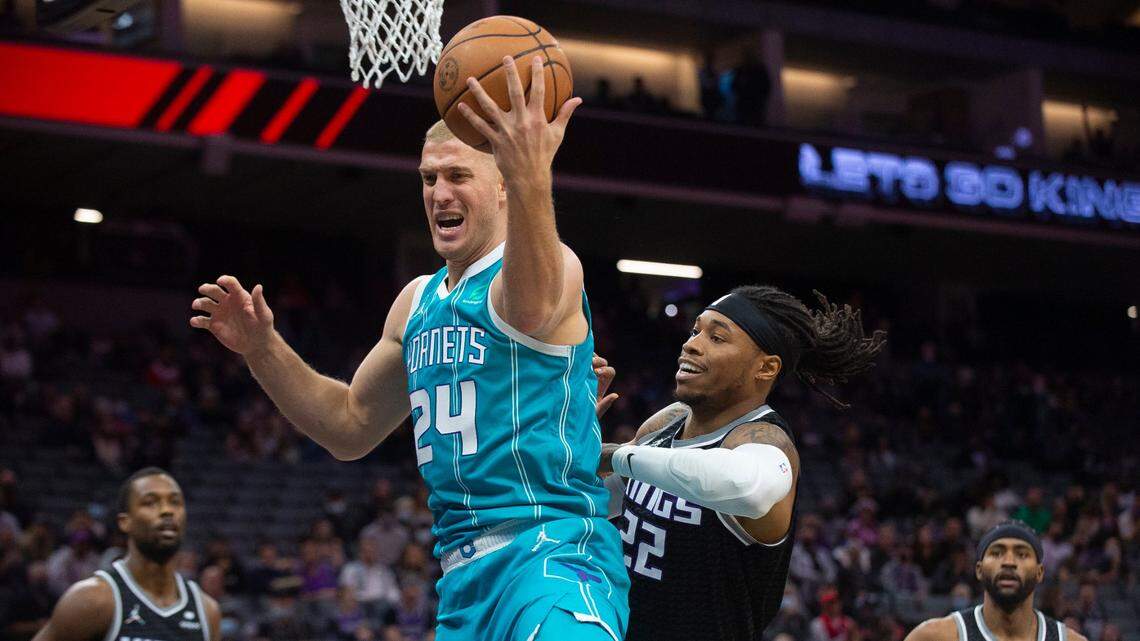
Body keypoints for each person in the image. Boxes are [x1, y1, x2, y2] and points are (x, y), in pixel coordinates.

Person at [190, 54, 627, 641]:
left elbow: (529, 310)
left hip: (552, 554)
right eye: (428, 178)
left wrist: (532, 173)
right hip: (463, 578)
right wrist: (262, 349)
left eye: (458, 176)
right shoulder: (416, 301)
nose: (440, 193)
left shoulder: (553, 267)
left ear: (503, 184)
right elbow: (349, 426)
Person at [598, 285, 886, 641]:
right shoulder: (666, 422)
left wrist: (616, 455)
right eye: (695, 331)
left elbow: (745, 488)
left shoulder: (767, 442)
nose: (691, 344)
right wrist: (569, 435)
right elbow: (595, 503)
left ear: (765, 368)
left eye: (717, 337)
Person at [32, 467, 220, 641]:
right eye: (150, 502)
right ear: (125, 522)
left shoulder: (207, 611)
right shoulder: (92, 599)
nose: (167, 511)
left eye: (175, 502)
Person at [904, 521, 1087, 641]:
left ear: (1039, 572)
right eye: (997, 553)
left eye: (1022, 554)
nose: (1008, 562)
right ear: (979, 570)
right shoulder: (935, 636)